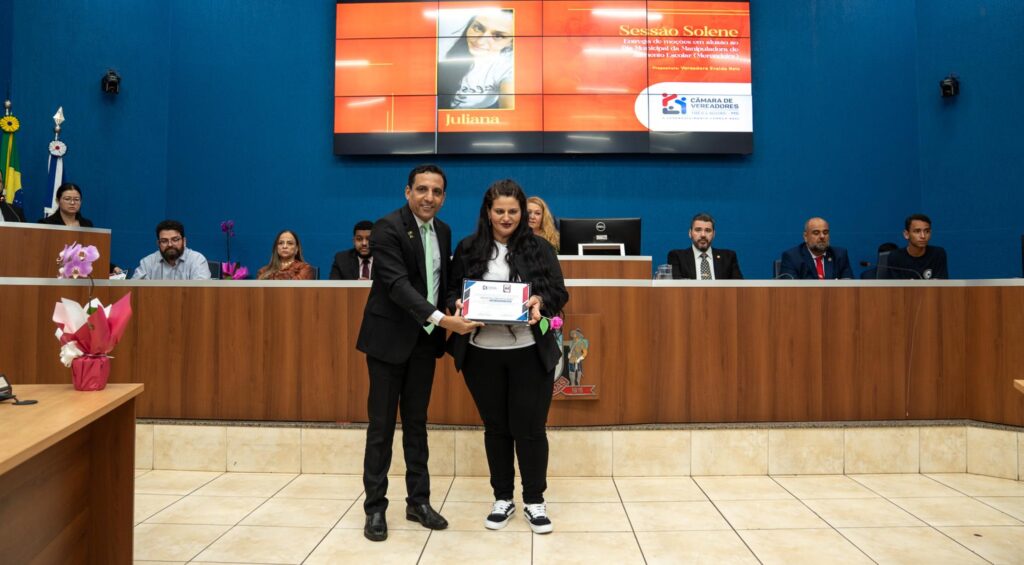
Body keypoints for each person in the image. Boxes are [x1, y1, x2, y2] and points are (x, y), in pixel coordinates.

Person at [356, 164, 480, 542]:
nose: (429, 197)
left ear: (444, 197)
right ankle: (375, 508)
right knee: (380, 429)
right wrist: (445, 320)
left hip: (424, 344)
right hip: (388, 342)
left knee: (417, 424)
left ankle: (418, 502)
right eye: (422, 189)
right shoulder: (387, 227)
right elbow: (396, 285)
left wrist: (456, 305)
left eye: (437, 191)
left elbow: (440, 284)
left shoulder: (443, 231)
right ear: (407, 191)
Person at [445, 179, 569, 534]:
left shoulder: (540, 248)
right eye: (499, 211)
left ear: (522, 213)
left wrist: (540, 302)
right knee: (496, 429)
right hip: (482, 354)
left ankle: (534, 500)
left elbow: (560, 292)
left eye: (513, 211)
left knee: (530, 430)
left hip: (528, 352)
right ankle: (503, 498)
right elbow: (453, 290)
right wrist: (456, 304)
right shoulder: (468, 248)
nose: (506, 217)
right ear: (488, 212)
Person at [437, 10, 514, 110]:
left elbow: (510, 107)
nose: (480, 41)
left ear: (511, 42)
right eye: (478, 28)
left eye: (498, 36)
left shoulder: (509, 67)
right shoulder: (441, 48)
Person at [667, 213, 743, 279]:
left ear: (714, 234)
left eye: (707, 230)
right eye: (698, 230)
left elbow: (739, 287)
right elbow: (676, 287)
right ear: (690, 233)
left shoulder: (728, 257)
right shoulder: (677, 257)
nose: (703, 235)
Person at [132, 220, 212, 280]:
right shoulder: (147, 263)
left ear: (184, 241)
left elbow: (201, 293)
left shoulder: (197, 260)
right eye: (164, 241)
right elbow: (135, 291)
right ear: (158, 243)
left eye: (175, 239)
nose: (170, 244)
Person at [779, 217, 854, 279]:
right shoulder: (792, 257)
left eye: (825, 232)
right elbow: (790, 291)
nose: (822, 236)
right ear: (805, 236)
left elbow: (849, 288)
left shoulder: (839, 255)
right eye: (816, 233)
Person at [882, 213, 948, 279]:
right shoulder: (895, 257)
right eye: (917, 231)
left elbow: (941, 285)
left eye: (927, 231)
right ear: (906, 234)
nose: (923, 236)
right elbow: (894, 287)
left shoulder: (938, 254)